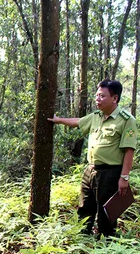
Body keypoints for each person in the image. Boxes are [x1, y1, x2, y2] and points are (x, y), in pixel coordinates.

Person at [48, 79, 137, 237]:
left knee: (106, 213)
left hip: (110, 172)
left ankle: (105, 245)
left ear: (115, 98)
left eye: (102, 96)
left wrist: (124, 177)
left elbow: (129, 150)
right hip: (90, 170)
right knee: (85, 207)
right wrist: (58, 120)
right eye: (96, 95)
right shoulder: (96, 116)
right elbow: (78, 122)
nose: (97, 99)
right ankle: (83, 240)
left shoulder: (126, 120)